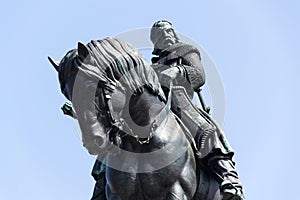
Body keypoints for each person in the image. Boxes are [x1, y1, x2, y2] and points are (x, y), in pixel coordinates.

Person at [149, 20, 245, 200]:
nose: (166, 36)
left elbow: (199, 76)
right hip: (155, 107)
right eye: (161, 35)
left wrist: (177, 71)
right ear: (155, 42)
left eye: (169, 32)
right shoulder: (150, 67)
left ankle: (229, 179)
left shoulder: (186, 51)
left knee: (206, 131)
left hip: (180, 102)